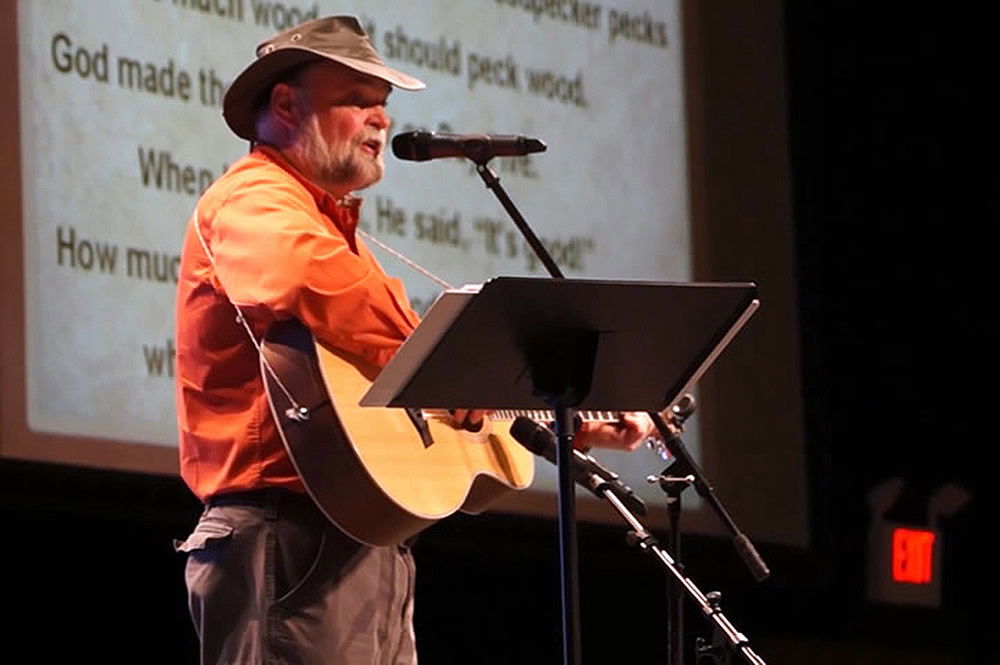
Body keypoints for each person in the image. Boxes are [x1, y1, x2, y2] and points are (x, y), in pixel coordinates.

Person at [173, 15, 654, 665]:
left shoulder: (330, 226)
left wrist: (575, 418)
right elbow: (311, 278)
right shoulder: (253, 199)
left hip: (355, 541)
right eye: (358, 100)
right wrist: (460, 373)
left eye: (384, 105)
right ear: (285, 104)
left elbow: (452, 410)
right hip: (287, 537)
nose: (381, 120)